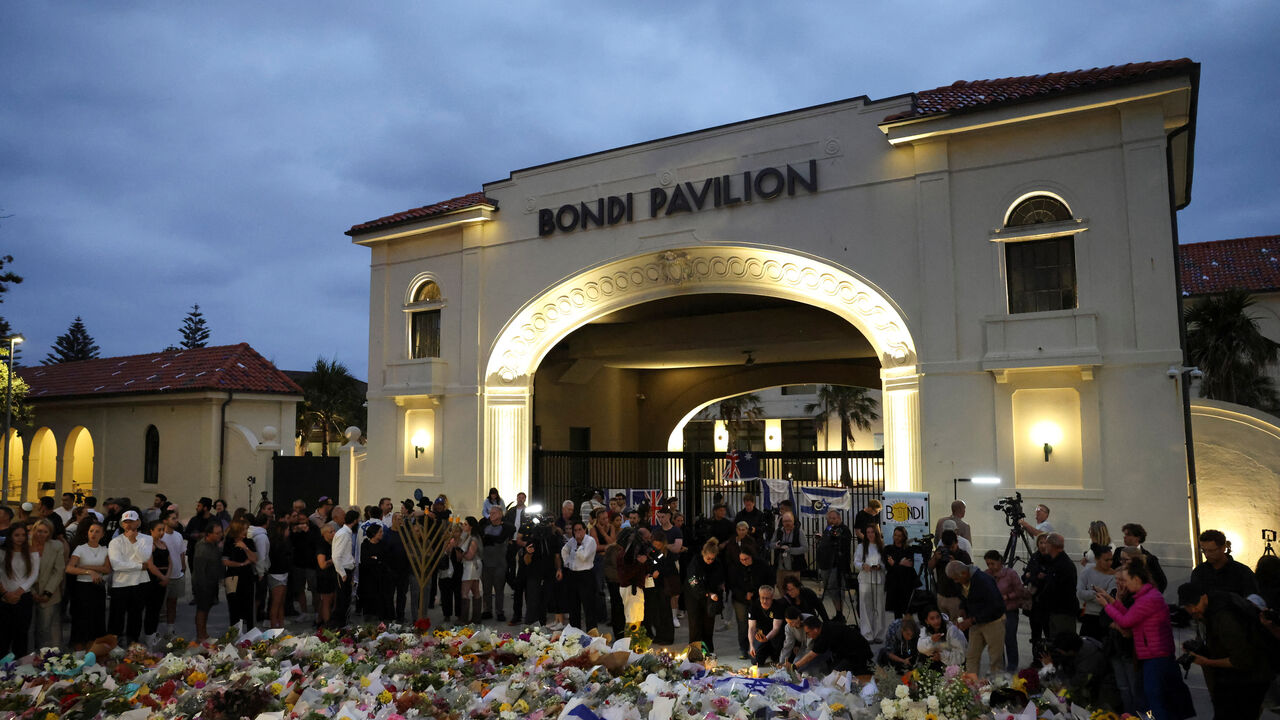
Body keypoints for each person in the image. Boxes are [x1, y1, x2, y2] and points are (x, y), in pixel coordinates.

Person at [1097, 557, 1194, 720]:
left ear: (1136, 579)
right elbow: (1130, 615)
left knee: (1156, 699)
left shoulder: (1148, 599)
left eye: (1126, 581)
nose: (1125, 585)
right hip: (1152, 654)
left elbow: (1126, 621)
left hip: (1156, 656)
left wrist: (1106, 606)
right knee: (1151, 697)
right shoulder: (1146, 596)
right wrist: (1112, 601)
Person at [1178, 581, 1275, 719]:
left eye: (1195, 604)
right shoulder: (1215, 606)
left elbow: (1241, 660)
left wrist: (1206, 661)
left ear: (1204, 597)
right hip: (1242, 679)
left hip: (1249, 680)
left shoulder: (1224, 617)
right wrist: (1201, 649)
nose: (1193, 610)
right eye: (1188, 606)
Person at [946, 560, 1005, 677]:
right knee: (972, 655)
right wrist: (963, 609)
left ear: (964, 573)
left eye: (956, 579)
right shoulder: (963, 580)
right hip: (976, 622)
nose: (955, 582)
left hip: (993, 622)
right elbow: (964, 597)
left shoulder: (983, 581)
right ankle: (971, 685)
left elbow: (996, 607)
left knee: (995, 658)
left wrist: (972, 620)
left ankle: (997, 687)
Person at [108, 509, 152, 645]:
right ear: (122, 524)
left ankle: (133, 642)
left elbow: (145, 557)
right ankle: (115, 643)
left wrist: (134, 541)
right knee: (117, 615)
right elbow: (116, 565)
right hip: (120, 583)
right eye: (126, 522)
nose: (129, 525)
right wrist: (139, 566)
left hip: (140, 582)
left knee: (136, 615)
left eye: (132, 521)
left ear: (138, 522)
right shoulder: (115, 542)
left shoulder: (147, 539)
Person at [66, 520, 110, 648]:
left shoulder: (105, 550)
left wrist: (87, 566)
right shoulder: (81, 548)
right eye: (91, 531)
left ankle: (95, 648)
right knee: (82, 618)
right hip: (83, 588)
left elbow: (107, 569)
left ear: (102, 534)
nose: (93, 534)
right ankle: (79, 647)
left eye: (97, 532)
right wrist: (89, 571)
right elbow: (69, 568)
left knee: (97, 618)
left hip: (98, 587)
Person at [983, 550, 1027, 672]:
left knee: (1009, 638)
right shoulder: (986, 575)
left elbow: (1020, 591)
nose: (990, 567)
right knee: (996, 641)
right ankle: (999, 664)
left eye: (992, 563)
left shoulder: (1010, 574)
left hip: (1009, 611)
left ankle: (1012, 665)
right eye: (988, 564)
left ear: (999, 561)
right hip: (994, 613)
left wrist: (1007, 597)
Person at [0, 523, 37, 657]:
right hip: (4, 598)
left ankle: (21, 668)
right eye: (17, 535)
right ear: (10, 536)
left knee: (21, 633)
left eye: (23, 535)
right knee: (3, 634)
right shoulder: (2, 551)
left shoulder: (32, 551)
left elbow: (33, 574)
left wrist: (19, 592)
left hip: (24, 598)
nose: (20, 538)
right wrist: (5, 593)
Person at [1191, 529, 1259, 598]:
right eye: (1203, 550)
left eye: (1211, 551)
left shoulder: (1242, 572)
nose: (1206, 555)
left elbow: (1252, 601)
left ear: (1223, 548)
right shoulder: (1199, 572)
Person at [795, 616, 874, 676]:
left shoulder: (825, 634)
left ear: (815, 629)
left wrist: (794, 666)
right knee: (831, 670)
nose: (807, 635)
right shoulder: (824, 627)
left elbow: (811, 655)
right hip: (847, 652)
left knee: (834, 676)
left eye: (808, 632)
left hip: (857, 654)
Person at [30, 518, 66, 648]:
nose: (41, 534)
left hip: (49, 592)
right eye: (39, 531)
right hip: (27, 591)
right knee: (28, 627)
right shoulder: (25, 545)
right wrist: (33, 592)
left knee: (45, 629)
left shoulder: (56, 546)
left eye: (45, 532)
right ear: (34, 530)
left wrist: (47, 592)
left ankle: (43, 656)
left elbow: (58, 570)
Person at [732, 547, 774, 658]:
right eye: (741, 559)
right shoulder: (736, 567)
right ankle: (744, 648)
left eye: (746, 559)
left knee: (759, 623)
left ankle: (759, 647)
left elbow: (769, 582)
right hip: (740, 599)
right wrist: (744, 595)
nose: (743, 562)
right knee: (743, 624)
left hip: (758, 598)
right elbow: (733, 584)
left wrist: (757, 594)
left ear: (751, 557)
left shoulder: (762, 565)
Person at [686, 538, 726, 654]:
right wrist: (706, 593)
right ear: (703, 554)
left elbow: (719, 580)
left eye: (712, 559)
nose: (710, 561)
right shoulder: (695, 563)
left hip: (710, 598)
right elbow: (692, 581)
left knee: (708, 624)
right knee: (695, 624)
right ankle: (695, 650)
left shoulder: (717, 564)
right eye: (708, 558)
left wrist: (718, 589)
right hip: (694, 597)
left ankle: (708, 649)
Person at [560, 519, 598, 629]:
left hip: (586, 575)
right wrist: (567, 562)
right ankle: (575, 632)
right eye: (575, 530)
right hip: (573, 575)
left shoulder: (590, 541)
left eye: (580, 530)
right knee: (573, 605)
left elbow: (584, 556)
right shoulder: (572, 541)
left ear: (585, 530)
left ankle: (592, 632)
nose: (578, 532)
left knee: (589, 606)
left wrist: (579, 543)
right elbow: (564, 550)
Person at [222, 517, 259, 630]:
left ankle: (250, 632)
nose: (246, 531)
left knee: (248, 606)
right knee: (234, 607)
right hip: (232, 578)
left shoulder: (249, 542)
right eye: (244, 529)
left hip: (247, 577)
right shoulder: (229, 542)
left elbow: (254, 559)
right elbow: (225, 561)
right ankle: (234, 633)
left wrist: (245, 548)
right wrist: (241, 564)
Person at [1040, 533, 1079, 638]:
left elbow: (1059, 589)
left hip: (1063, 612)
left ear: (1051, 545)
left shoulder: (1064, 565)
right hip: (1055, 611)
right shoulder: (1055, 562)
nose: (1044, 546)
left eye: (1046, 543)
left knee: (1063, 642)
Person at [816, 509, 853, 621]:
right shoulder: (828, 528)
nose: (831, 520)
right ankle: (837, 613)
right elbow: (826, 541)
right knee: (830, 590)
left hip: (837, 565)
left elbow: (844, 546)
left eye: (833, 518)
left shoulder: (844, 530)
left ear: (839, 518)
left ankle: (840, 613)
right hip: (825, 563)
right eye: (829, 518)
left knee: (836, 589)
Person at [479, 505, 514, 621]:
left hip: (499, 563)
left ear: (500, 514)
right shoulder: (486, 527)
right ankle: (487, 610)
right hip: (486, 562)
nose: (491, 515)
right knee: (486, 589)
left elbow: (501, 538)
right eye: (490, 513)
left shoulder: (505, 528)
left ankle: (499, 611)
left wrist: (490, 539)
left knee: (499, 589)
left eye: (494, 513)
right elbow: (483, 540)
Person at [192, 522, 225, 642]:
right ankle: (200, 635)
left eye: (221, 532)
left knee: (207, 609)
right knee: (202, 609)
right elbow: (199, 570)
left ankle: (204, 634)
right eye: (217, 533)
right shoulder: (202, 548)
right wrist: (202, 587)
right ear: (209, 534)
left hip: (211, 582)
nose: (220, 535)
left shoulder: (213, 544)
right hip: (203, 584)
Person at [929, 530, 971, 623]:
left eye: (952, 547)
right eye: (947, 547)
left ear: (956, 542)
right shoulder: (940, 552)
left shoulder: (963, 555)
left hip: (956, 597)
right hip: (941, 595)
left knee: (956, 625)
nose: (949, 550)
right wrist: (935, 558)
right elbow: (929, 567)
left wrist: (955, 563)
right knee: (943, 625)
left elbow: (968, 576)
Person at [854, 523, 887, 643]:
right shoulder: (861, 547)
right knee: (865, 607)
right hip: (865, 579)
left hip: (878, 579)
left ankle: (879, 634)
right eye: (868, 532)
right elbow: (856, 562)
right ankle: (867, 634)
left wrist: (880, 566)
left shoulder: (882, 546)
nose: (870, 535)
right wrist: (863, 566)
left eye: (872, 532)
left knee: (879, 607)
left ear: (876, 533)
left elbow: (885, 563)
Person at [1110, 523, 1167, 592]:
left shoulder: (1149, 558)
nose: (1124, 537)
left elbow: (1162, 582)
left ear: (1138, 537)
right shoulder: (1118, 551)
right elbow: (1111, 572)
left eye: (1128, 535)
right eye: (1124, 535)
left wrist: (1149, 595)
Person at [1077, 544, 1117, 641]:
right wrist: (1095, 593)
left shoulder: (1114, 576)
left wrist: (1090, 593)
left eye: (1111, 559)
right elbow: (1080, 593)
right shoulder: (1088, 570)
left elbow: (1107, 598)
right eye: (1106, 560)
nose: (1109, 563)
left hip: (1104, 617)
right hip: (1088, 616)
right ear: (1097, 559)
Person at [142, 519, 171, 639]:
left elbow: (170, 562)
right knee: (151, 609)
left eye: (163, 530)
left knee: (158, 608)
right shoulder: (150, 545)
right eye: (159, 530)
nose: (161, 532)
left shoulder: (164, 544)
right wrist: (162, 577)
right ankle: (149, 635)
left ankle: (154, 633)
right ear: (151, 531)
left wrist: (167, 576)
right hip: (154, 579)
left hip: (164, 578)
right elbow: (150, 565)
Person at [330, 509, 360, 628]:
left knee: (346, 599)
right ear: (354, 521)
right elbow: (336, 556)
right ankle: (338, 625)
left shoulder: (347, 533)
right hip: (342, 571)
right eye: (358, 520)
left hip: (347, 570)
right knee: (342, 600)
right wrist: (342, 573)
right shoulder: (343, 534)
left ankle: (343, 623)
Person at [884, 526, 921, 619]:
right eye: (895, 535)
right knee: (897, 611)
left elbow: (909, 566)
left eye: (899, 536)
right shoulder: (888, 549)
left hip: (906, 583)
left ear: (904, 537)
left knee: (907, 609)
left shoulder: (908, 549)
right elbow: (888, 566)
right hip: (894, 583)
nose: (896, 538)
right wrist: (900, 563)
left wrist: (895, 564)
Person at [359, 523, 394, 621]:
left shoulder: (383, 545)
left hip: (382, 578)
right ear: (374, 533)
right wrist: (377, 559)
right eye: (380, 532)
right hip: (369, 577)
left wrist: (376, 559)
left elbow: (385, 559)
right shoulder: (365, 545)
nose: (382, 534)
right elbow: (365, 560)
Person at [747, 584, 788, 663]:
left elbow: (776, 628)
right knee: (755, 661)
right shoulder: (754, 606)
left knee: (777, 658)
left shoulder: (778, 606)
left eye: (767, 598)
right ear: (759, 596)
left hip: (775, 636)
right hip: (760, 634)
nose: (765, 601)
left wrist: (766, 639)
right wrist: (751, 645)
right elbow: (751, 628)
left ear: (772, 597)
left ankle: (773, 652)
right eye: (762, 598)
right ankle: (764, 651)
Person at [265, 520, 292, 628]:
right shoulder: (275, 543)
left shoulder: (285, 542)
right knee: (276, 602)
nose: (289, 532)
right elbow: (278, 559)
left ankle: (281, 625)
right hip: (276, 574)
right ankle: (274, 627)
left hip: (283, 573)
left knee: (281, 602)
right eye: (287, 530)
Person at [771, 511, 806, 590]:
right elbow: (771, 544)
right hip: (780, 568)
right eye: (785, 521)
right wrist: (776, 546)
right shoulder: (778, 531)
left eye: (789, 521)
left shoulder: (799, 532)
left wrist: (790, 550)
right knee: (780, 587)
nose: (787, 523)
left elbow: (805, 548)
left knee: (794, 589)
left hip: (793, 568)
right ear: (782, 522)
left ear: (793, 521)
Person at [314, 522, 338, 628]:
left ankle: (319, 619)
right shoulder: (322, 545)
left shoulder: (332, 544)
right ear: (324, 534)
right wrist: (333, 561)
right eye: (331, 531)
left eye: (334, 530)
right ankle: (327, 623)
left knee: (329, 600)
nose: (334, 533)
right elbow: (322, 564)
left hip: (331, 576)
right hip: (324, 577)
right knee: (326, 601)